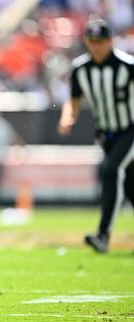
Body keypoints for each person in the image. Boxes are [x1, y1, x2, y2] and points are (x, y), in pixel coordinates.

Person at [58, 18, 134, 253]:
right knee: (131, 185)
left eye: (101, 42)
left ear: (110, 41)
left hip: (130, 130)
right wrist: (67, 118)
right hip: (106, 134)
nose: (97, 46)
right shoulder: (81, 68)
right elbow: (74, 101)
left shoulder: (127, 66)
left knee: (110, 170)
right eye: (92, 41)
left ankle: (103, 235)